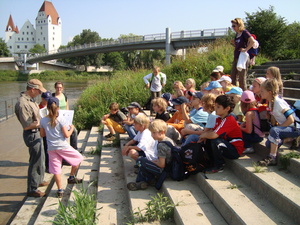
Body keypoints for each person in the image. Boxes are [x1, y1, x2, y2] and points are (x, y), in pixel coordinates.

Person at [40, 97, 83, 198]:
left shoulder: (43, 120)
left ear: (47, 107)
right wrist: (71, 128)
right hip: (62, 146)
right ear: (58, 107)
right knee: (78, 158)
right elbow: (67, 135)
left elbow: (42, 135)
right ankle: (71, 177)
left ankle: (60, 190)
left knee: (56, 169)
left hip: (51, 148)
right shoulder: (61, 119)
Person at [15, 79, 48, 197]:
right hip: (32, 134)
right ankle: (32, 189)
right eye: (38, 91)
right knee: (35, 161)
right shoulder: (23, 103)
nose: (40, 93)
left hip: (37, 132)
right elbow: (27, 125)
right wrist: (41, 123)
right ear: (32, 89)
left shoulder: (31, 100)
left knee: (41, 158)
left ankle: (39, 180)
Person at [258, 79, 300, 166]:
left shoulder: (279, 103)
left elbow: (291, 119)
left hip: (296, 128)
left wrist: (278, 128)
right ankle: (291, 139)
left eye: (262, 91)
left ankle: (272, 158)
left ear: (269, 92)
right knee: (269, 144)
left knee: (275, 131)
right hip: (288, 128)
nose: (260, 92)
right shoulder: (271, 102)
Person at [199, 95, 244, 173]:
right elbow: (212, 131)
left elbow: (214, 135)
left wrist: (204, 135)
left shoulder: (229, 120)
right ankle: (211, 162)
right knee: (208, 140)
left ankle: (219, 166)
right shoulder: (219, 118)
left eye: (218, 107)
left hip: (235, 150)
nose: (215, 109)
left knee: (215, 141)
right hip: (227, 144)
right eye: (215, 106)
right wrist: (204, 136)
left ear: (227, 109)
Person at [127, 119, 175, 191]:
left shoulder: (162, 145)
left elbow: (162, 165)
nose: (151, 135)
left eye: (153, 133)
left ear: (161, 132)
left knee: (141, 161)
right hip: (169, 168)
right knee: (143, 162)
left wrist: (153, 162)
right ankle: (145, 181)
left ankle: (143, 181)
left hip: (164, 171)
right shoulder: (168, 140)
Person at [230, 18, 255, 90]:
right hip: (237, 56)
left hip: (242, 57)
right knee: (233, 76)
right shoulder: (237, 34)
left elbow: (252, 41)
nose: (233, 28)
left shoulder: (244, 32)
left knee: (242, 77)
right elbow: (238, 45)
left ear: (239, 25)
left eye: (234, 26)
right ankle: (234, 92)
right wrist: (234, 43)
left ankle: (244, 93)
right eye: (232, 26)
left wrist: (246, 49)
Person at [52, 81, 78, 151]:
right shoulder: (52, 97)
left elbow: (67, 107)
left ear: (62, 88)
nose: (59, 89)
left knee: (74, 131)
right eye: (57, 87)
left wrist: (69, 118)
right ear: (55, 88)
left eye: (60, 87)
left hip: (65, 118)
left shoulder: (64, 96)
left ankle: (74, 148)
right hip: (56, 119)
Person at [39, 91, 52, 172]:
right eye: (46, 99)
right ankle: (47, 166)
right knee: (45, 148)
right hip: (43, 129)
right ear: (42, 99)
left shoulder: (50, 106)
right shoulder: (38, 107)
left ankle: (50, 164)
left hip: (50, 129)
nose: (47, 101)